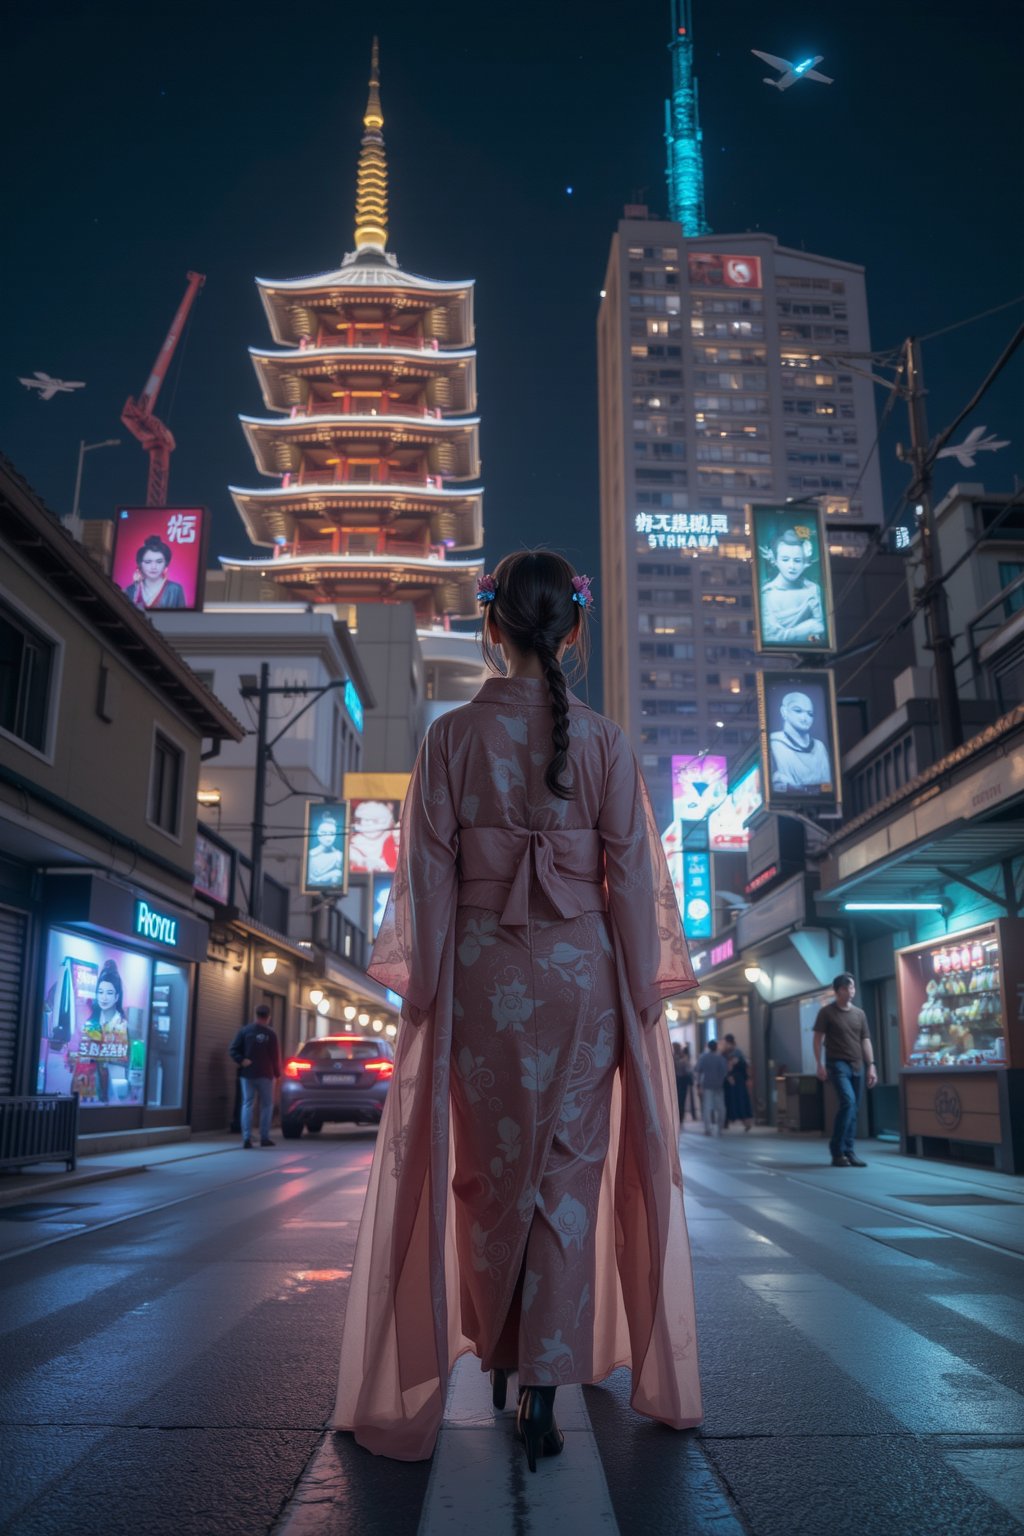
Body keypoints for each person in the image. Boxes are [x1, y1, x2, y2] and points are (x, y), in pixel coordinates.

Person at [331, 551, 702, 1468]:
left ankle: (497, 1348)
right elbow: (629, 891)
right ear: (572, 631)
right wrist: (642, 993)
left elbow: (424, 879)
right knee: (569, 1179)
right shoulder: (607, 743)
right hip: (582, 980)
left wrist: (424, 991)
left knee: (487, 1178)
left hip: (483, 977)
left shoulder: (450, 738)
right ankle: (546, 1375)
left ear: (489, 627)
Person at [813, 973, 877, 1167]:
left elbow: (865, 1039)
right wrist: (819, 1064)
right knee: (848, 1103)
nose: (851, 992)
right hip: (837, 1064)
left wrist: (871, 1065)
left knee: (853, 1109)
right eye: (847, 988)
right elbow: (817, 1039)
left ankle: (849, 1151)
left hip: (858, 1065)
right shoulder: (827, 1013)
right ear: (838, 991)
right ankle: (837, 1151)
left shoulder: (859, 1014)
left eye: (853, 988)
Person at [759, 529, 826, 646]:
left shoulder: (813, 589)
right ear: (775, 560)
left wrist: (812, 638)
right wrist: (808, 627)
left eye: (797, 560)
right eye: (785, 560)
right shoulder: (767, 594)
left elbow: (820, 633)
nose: (792, 566)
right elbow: (774, 637)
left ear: (805, 562)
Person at [229, 1004, 281, 1148]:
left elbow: (232, 1049)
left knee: (247, 1104)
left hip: (247, 1074)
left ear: (255, 1015)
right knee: (266, 1105)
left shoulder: (245, 1031)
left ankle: (246, 1138)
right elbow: (275, 1056)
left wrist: (241, 1060)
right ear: (268, 1017)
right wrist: (277, 1074)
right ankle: (264, 1137)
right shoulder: (271, 1034)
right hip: (266, 1075)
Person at [769, 691, 832, 792]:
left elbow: (827, 785)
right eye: (798, 711)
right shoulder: (774, 743)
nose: (805, 718)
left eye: (810, 714)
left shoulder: (819, 747)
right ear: (784, 712)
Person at [123, 535, 187, 610]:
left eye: (159, 562)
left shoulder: (175, 589)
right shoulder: (130, 590)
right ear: (140, 564)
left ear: (165, 564)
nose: (154, 567)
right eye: (148, 562)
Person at [350, 800, 401, 874]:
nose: (369, 824)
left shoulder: (393, 839)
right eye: (365, 821)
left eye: (375, 821)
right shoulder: (353, 847)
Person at [695, 1038, 729, 1136]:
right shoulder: (721, 1059)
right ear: (716, 1047)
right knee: (721, 1108)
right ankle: (720, 1128)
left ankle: (708, 1129)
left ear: (708, 1047)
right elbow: (725, 1072)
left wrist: (698, 1085)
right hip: (719, 1086)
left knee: (707, 1108)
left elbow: (698, 1070)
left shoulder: (703, 1057)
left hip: (707, 1085)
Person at [722, 1034, 753, 1131]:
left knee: (737, 1101)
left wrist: (729, 1075)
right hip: (737, 1080)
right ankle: (742, 1122)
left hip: (736, 1080)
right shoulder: (736, 1052)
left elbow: (730, 1066)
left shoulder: (734, 1053)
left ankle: (743, 1122)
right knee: (738, 1101)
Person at [307, 814, 345, 886]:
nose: (328, 837)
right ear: (317, 833)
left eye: (331, 833)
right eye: (324, 833)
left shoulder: (339, 856)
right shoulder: (310, 855)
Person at [673, 1042, 698, 1123]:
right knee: (682, 1100)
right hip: (683, 1081)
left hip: (676, 1081)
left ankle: (678, 1117)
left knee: (677, 1100)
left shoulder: (672, 1058)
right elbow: (688, 1070)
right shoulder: (683, 1058)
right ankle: (681, 1117)